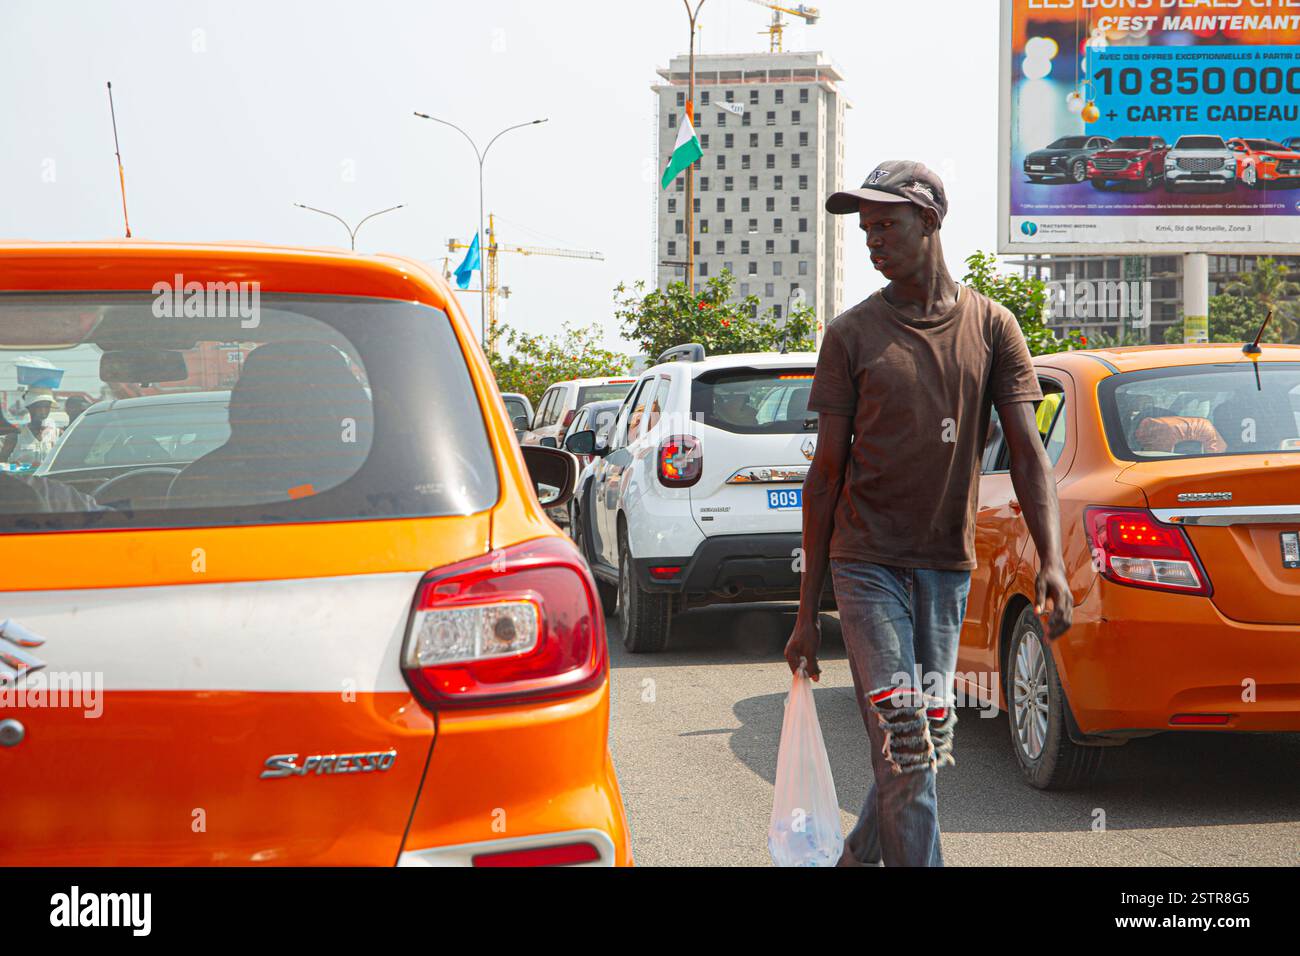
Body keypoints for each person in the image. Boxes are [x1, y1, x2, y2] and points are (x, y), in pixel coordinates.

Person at [784, 160, 1072, 867]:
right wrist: (805, 608)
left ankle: (855, 859)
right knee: (907, 738)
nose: (873, 240)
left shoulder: (993, 328)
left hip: (944, 568)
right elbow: (823, 476)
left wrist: (1054, 564)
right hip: (866, 563)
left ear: (930, 222)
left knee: (922, 741)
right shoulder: (851, 335)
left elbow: (1030, 456)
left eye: (887, 224)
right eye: (866, 229)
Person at [4, 388, 62, 468]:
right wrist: (11, 466)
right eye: (39, 407)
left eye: (46, 406)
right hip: (21, 479)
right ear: (29, 408)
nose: (43, 411)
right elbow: (2, 462)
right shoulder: (16, 435)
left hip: (48, 480)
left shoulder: (57, 434)